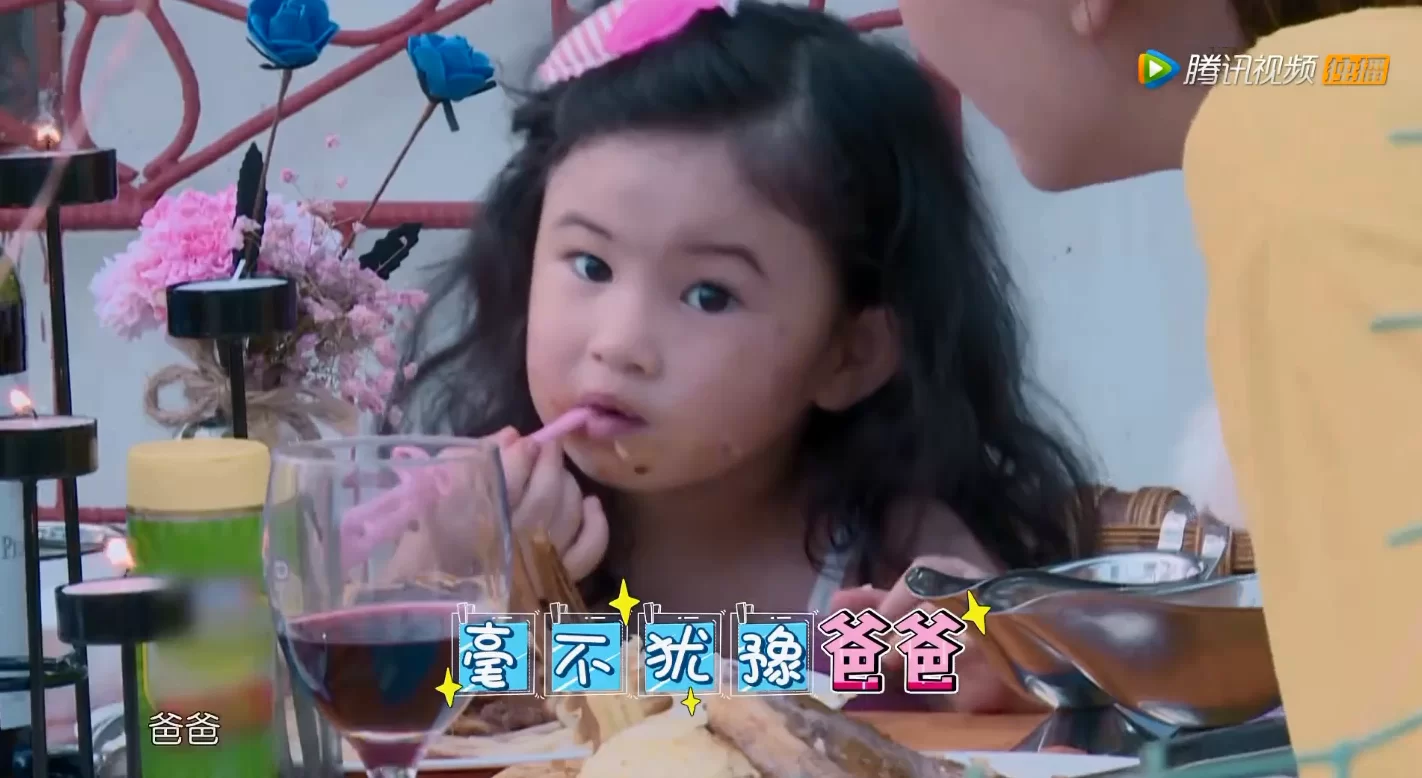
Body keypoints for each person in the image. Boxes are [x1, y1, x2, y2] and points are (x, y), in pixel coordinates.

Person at [393, 0, 1097, 711]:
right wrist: (453, 586)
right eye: (591, 265)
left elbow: (1021, 715)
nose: (619, 343)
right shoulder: (477, 527)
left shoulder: (890, 552)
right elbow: (392, 713)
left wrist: (977, 663)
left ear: (848, 356)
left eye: (708, 295)